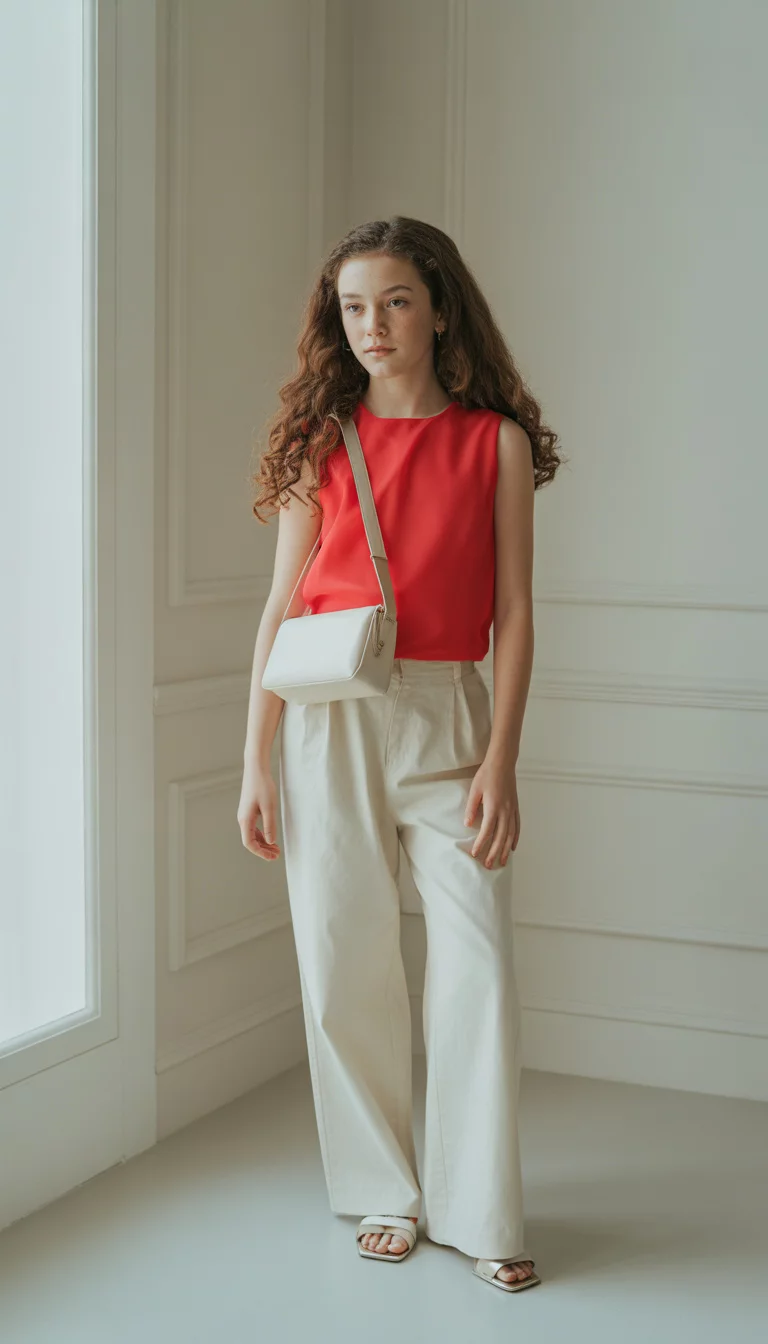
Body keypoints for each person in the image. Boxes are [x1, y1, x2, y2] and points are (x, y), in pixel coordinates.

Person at [239, 216, 563, 1294]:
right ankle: (384, 1191)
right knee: (344, 959)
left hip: (444, 712)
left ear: (439, 306)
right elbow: (281, 607)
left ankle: (484, 1209)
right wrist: (253, 759)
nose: (372, 326)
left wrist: (501, 759)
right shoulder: (322, 445)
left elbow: (515, 613)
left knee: (476, 963)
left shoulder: (493, 442)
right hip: (326, 710)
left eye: (395, 302)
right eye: (352, 308)